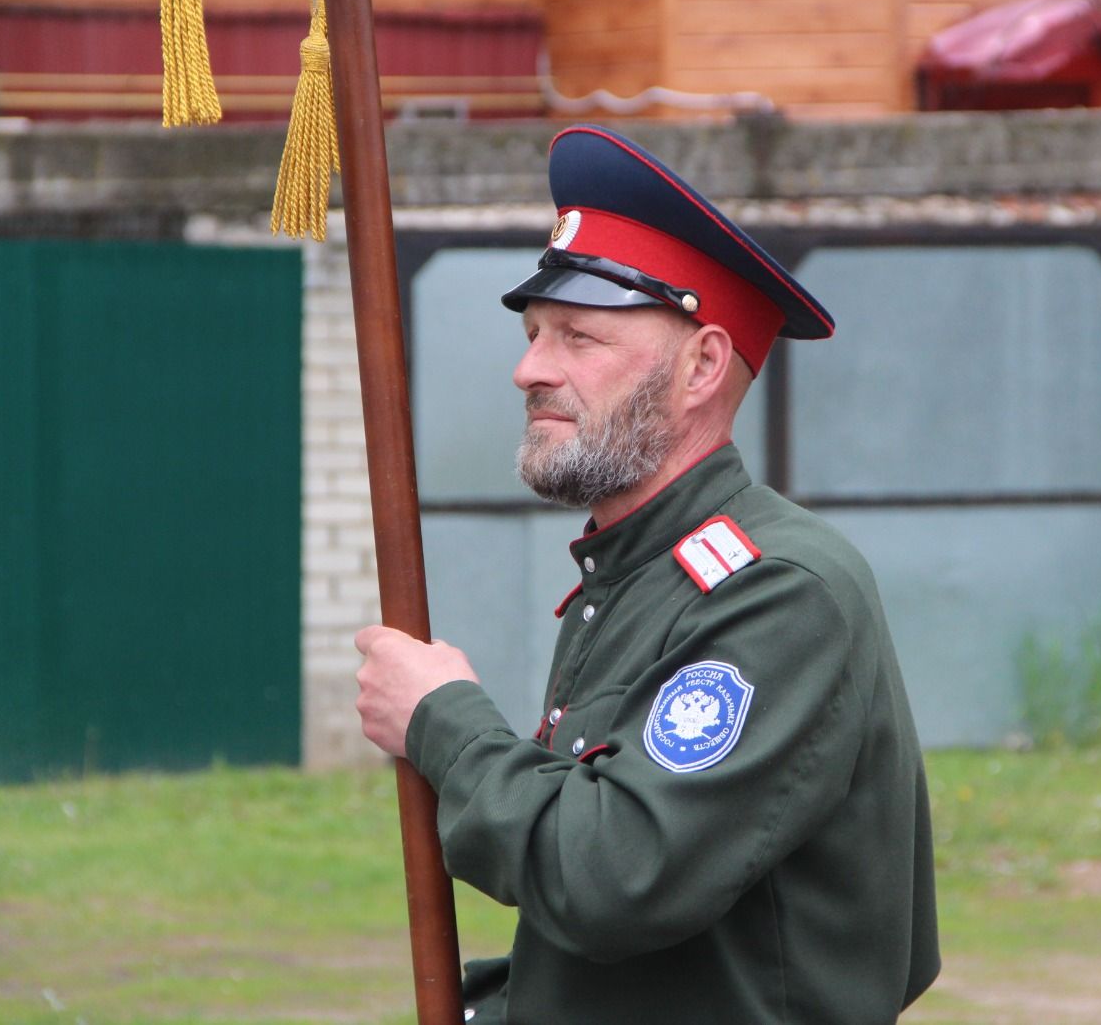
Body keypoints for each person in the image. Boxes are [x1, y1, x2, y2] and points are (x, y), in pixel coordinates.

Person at [355, 124, 939, 1024]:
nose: (528, 370)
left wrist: (444, 722)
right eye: (534, 333)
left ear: (703, 364)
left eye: (577, 338)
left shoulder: (778, 589)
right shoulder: (633, 574)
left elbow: (613, 874)